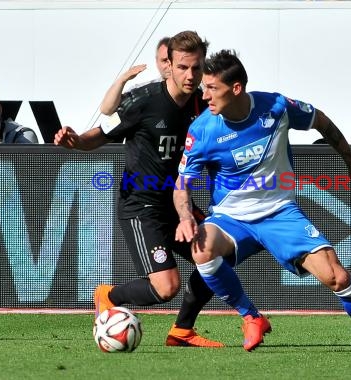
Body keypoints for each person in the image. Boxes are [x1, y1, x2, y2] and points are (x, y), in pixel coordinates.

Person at [174, 49, 351, 354]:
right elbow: (182, 184)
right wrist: (185, 216)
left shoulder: (275, 106)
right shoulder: (202, 130)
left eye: (212, 88)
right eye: (204, 87)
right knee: (201, 248)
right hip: (231, 218)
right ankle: (251, 317)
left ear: (236, 89)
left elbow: (321, 121)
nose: (204, 94)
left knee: (337, 277)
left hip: (279, 214)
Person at [54, 30, 223, 348]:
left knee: (216, 258)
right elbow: (100, 134)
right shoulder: (143, 100)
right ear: (168, 65)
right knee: (165, 287)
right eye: (183, 67)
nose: (190, 75)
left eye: (197, 68)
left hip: (177, 204)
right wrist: (75, 142)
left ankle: (182, 331)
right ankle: (108, 295)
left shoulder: (206, 103)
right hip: (140, 205)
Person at [99, 37, 171, 116]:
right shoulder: (143, 91)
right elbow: (107, 109)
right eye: (164, 60)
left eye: (172, 60)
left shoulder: (186, 90)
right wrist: (122, 79)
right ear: (157, 62)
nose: (169, 65)